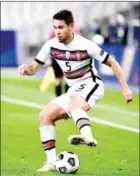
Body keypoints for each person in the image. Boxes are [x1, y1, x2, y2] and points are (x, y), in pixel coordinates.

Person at [18, 9, 133, 172]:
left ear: (71, 26)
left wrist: (125, 88)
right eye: (55, 27)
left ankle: (87, 136)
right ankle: (51, 163)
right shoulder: (51, 45)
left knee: (74, 106)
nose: (57, 31)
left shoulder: (86, 45)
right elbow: (34, 68)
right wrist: (26, 69)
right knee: (45, 115)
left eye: (61, 27)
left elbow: (113, 63)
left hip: (91, 84)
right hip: (74, 88)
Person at [46, 27, 81, 97]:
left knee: (68, 80)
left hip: (69, 58)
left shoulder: (74, 29)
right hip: (57, 58)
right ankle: (59, 100)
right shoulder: (53, 30)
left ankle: (67, 99)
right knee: (59, 80)